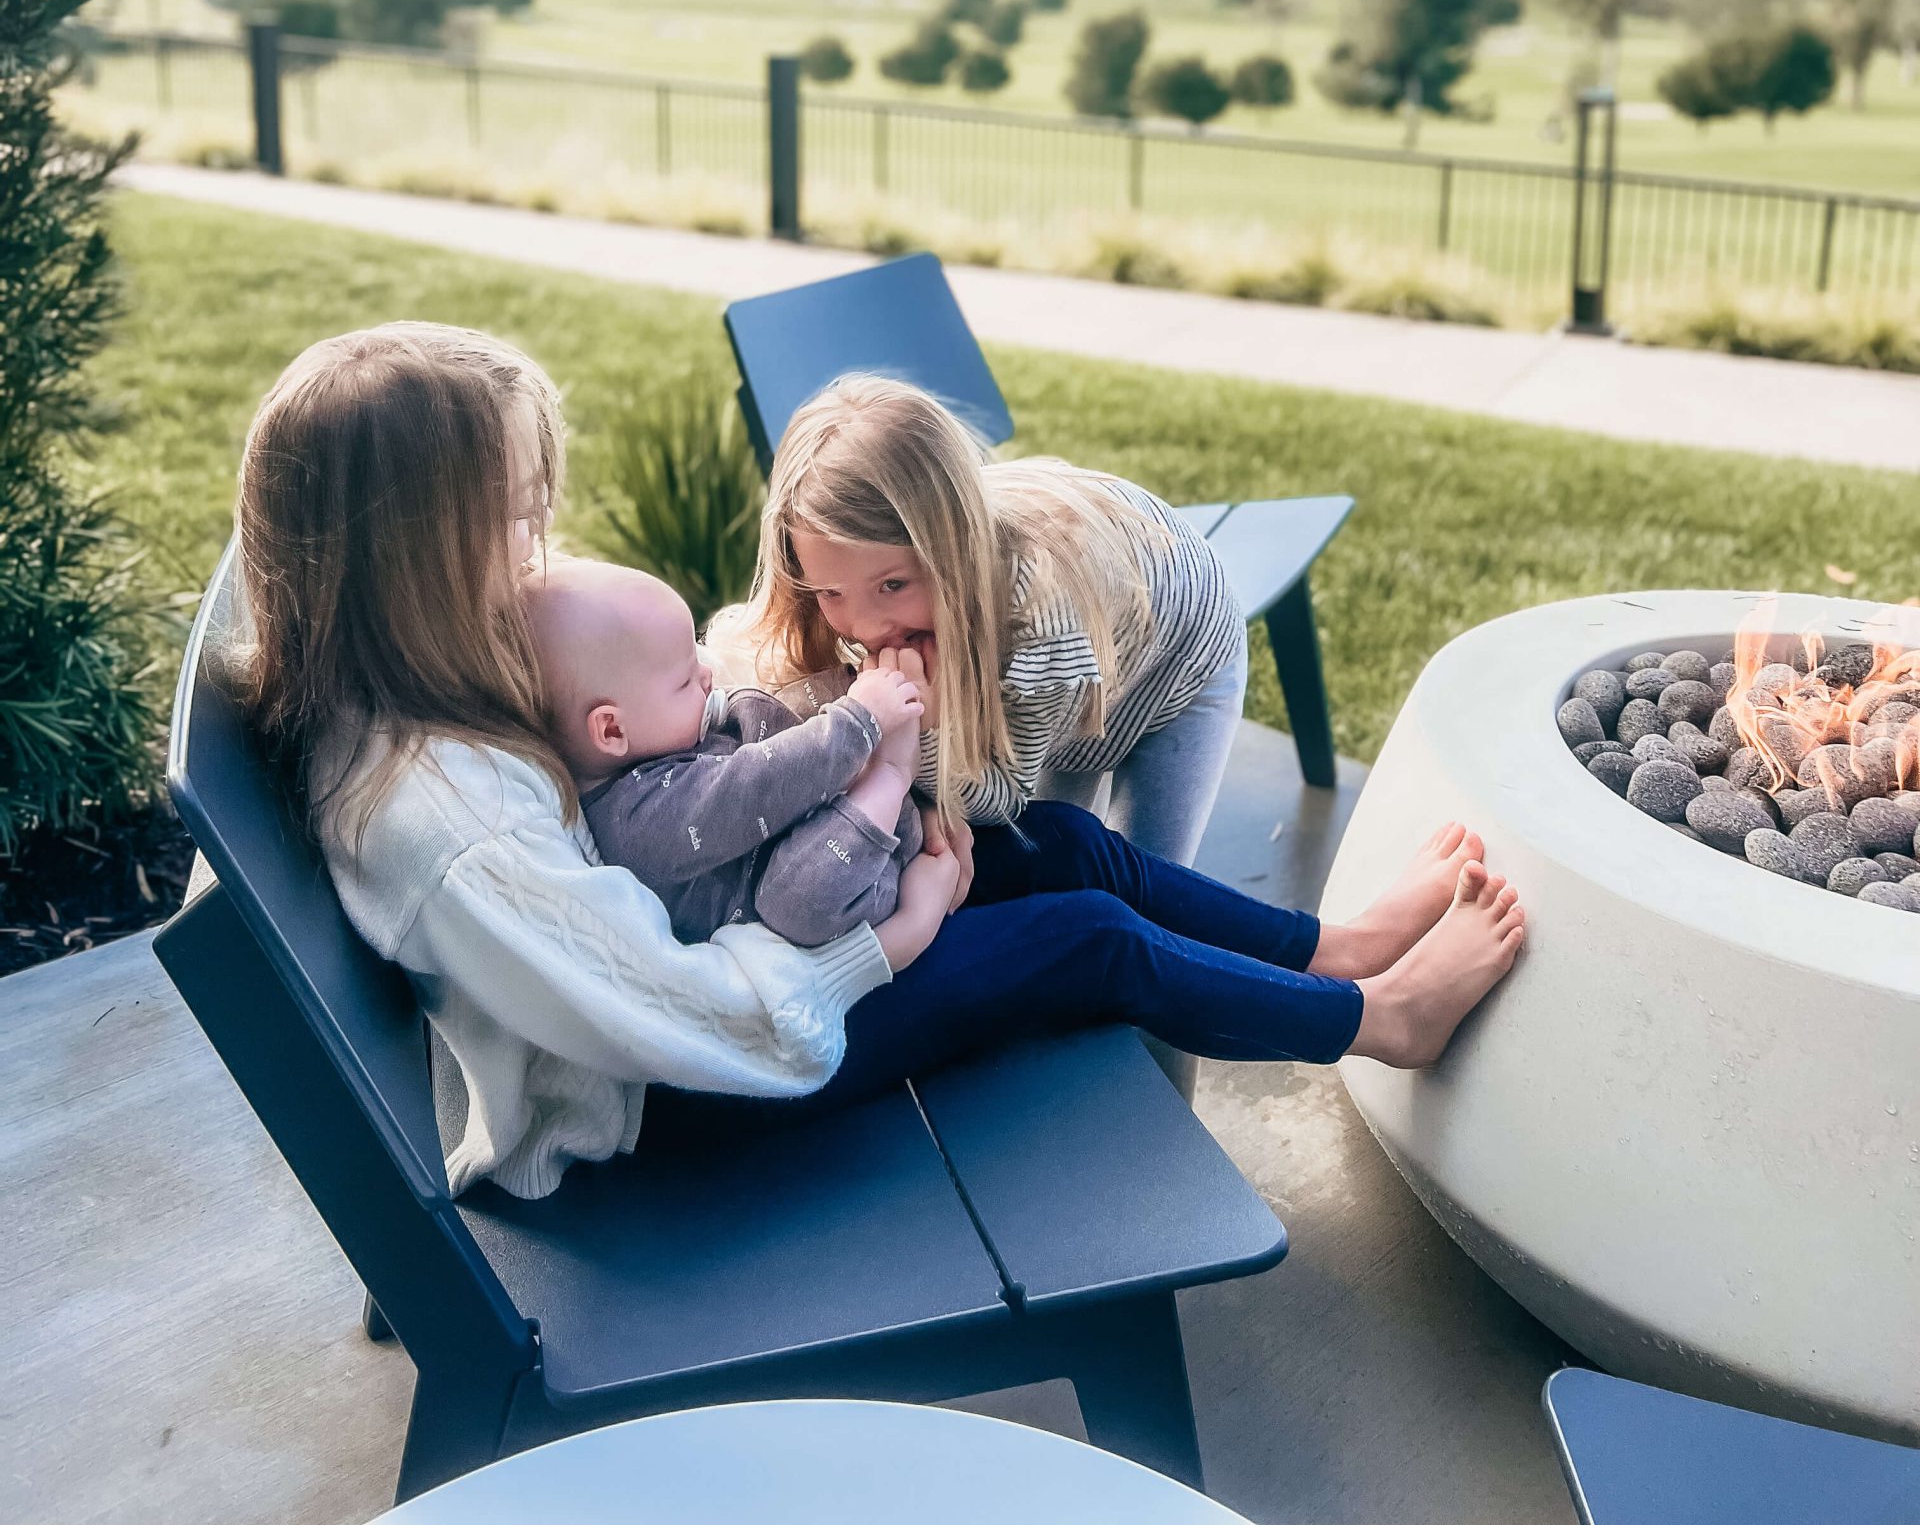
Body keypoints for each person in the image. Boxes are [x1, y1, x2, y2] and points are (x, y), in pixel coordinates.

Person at [234, 320, 1523, 1205]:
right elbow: (690, 1020)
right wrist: (895, 933)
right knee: (1086, 936)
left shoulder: (414, 698)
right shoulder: (451, 827)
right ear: (406, 558)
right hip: (698, 1087)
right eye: (517, 528)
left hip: (732, 983)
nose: (538, 561)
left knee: (1060, 846)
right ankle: (1380, 1022)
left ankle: (1330, 950)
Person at [708, 374, 1251, 861]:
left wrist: (927, 729)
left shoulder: (1040, 618)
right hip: (1067, 670)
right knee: (1056, 864)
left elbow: (1004, 797)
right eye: (831, 592)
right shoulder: (871, 590)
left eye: (893, 585)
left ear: (952, 550)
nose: (867, 627)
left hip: (1180, 663)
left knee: (1152, 887)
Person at [526, 554, 926, 949]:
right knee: (793, 903)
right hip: (850, 878)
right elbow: (755, 784)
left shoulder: (660, 738)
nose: (706, 674)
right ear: (612, 728)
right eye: (684, 680)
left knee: (757, 706)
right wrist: (860, 718)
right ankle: (890, 773)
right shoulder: (636, 820)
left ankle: (890, 703)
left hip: (844, 814)